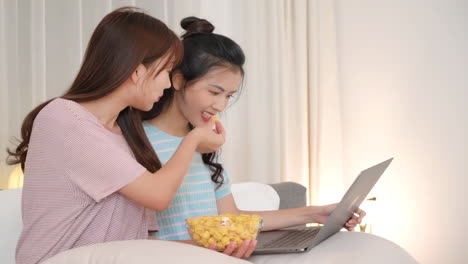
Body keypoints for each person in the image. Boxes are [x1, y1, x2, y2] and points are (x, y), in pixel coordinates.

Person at [8, 8, 225, 264]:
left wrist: (213, 248)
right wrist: (193, 140)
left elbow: (135, 244)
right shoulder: (65, 119)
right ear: (137, 71)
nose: (167, 84)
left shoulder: (125, 134)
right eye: (165, 71)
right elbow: (158, 196)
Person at [141, 17, 365, 259]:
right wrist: (207, 249)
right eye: (214, 92)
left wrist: (314, 214)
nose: (220, 105)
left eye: (228, 96)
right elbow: (138, 237)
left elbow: (232, 218)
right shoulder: (139, 141)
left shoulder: (205, 141)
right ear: (178, 80)